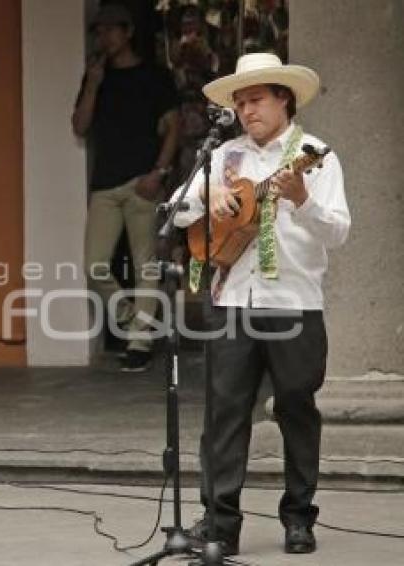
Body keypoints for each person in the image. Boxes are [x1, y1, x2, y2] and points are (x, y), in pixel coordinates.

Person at [170, 53, 350, 556]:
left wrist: (303, 200)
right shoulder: (223, 156)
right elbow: (180, 211)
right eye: (240, 102)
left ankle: (298, 518)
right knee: (224, 412)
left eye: (256, 100)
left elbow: (338, 232)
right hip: (232, 300)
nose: (246, 110)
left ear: (283, 99)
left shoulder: (317, 154)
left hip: (295, 303)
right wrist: (212, 201)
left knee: (296, 408)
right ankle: (220, 522)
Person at [71, 3, 180, 372]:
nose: (103, 37)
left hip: (143, 181)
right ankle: (136, 317)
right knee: (94, 266)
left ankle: (139, 341)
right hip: (104, 182)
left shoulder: (154, 76)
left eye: (110, 30)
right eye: (99, 32)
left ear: (128, 31)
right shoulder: (97, 76)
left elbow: (174, 127)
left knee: (145, 264)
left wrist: (159, 173)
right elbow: (80, 125)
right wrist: (94, 84)